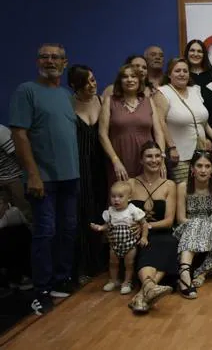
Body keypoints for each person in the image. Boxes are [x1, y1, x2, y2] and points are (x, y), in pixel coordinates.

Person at [10, 43, 80, 315]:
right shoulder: (26, 91)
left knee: (67, 230)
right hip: (44, 180)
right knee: (45, 232)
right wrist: (34, 174)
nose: (50, 61)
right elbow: (19, 134)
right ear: (37, 60)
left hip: (69, 177)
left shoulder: (65, 95)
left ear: (65, 63)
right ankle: (41, 289)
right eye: (44, 56)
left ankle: (61, 280)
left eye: (56, 57)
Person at [68, 65, 107, 283]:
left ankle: (100, 263)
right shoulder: (68, 105)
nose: (92, 85)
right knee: (81, 213)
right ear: (75, 86)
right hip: (78, 165)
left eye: (93, 80)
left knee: (101, 210)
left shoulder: (102, 100)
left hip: (100, 165)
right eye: (86, 83)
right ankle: (81, 267)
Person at [127, 142, 176, 314]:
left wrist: (146, 226)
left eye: (157, 156)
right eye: (149, 156)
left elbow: (169, 221)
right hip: (136, 235)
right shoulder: (131, 183)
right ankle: (149, 289)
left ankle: (143, 293)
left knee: (168, 241)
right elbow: (121, 212)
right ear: (141, 160)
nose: (154, 160)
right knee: (147, 244)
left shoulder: (169, 185)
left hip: (161, 231)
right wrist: (135, 228)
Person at [100, 63, 165, 185]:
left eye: (133, 76)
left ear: (139, 80)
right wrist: (115, 161)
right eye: (125, 77)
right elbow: (102, 134)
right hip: (120, 159)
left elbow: (158, 133)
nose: (130, 80)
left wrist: (161, 158)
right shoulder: (110, 101)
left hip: (148, 160)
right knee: (120, 198)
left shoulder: (149, 101)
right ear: (120, 81)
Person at [174, 151, 212, 298]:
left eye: (207, 166)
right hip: (187, 228)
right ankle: (185, 273)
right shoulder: (183, 187)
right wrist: (200, 224)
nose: (203, 170)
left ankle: (197, 274)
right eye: (199, 166)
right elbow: (181, 218)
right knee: (197, 222)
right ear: (192, 168)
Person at [157, 58, 211, 183]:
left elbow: (201, 120)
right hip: (179, 155)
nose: (182, 74)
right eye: (177, 71)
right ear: (169, 74)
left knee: (201, 189)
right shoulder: (163, 92)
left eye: (185, 71)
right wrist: (171, 147)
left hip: (202, 152)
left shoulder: (195, 90)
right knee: (185, 190)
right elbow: (160, 122)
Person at [89, 181, 148, 295]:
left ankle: (127, 282)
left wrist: (144, 237)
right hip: (114, 244)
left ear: (129, 197)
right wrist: (100, 228)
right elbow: (108, 225)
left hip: (130, 244)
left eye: (120, 196)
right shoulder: (110, 211)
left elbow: (144, 224)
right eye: (113, 196)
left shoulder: (132, 210)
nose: (116, 200)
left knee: (129, 264)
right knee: (113, 263)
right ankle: (113, 280)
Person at [0, 186, 32, 292]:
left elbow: (26, 227)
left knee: (19, 232)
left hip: (12, 247)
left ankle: (19, 276)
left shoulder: (13, 212)